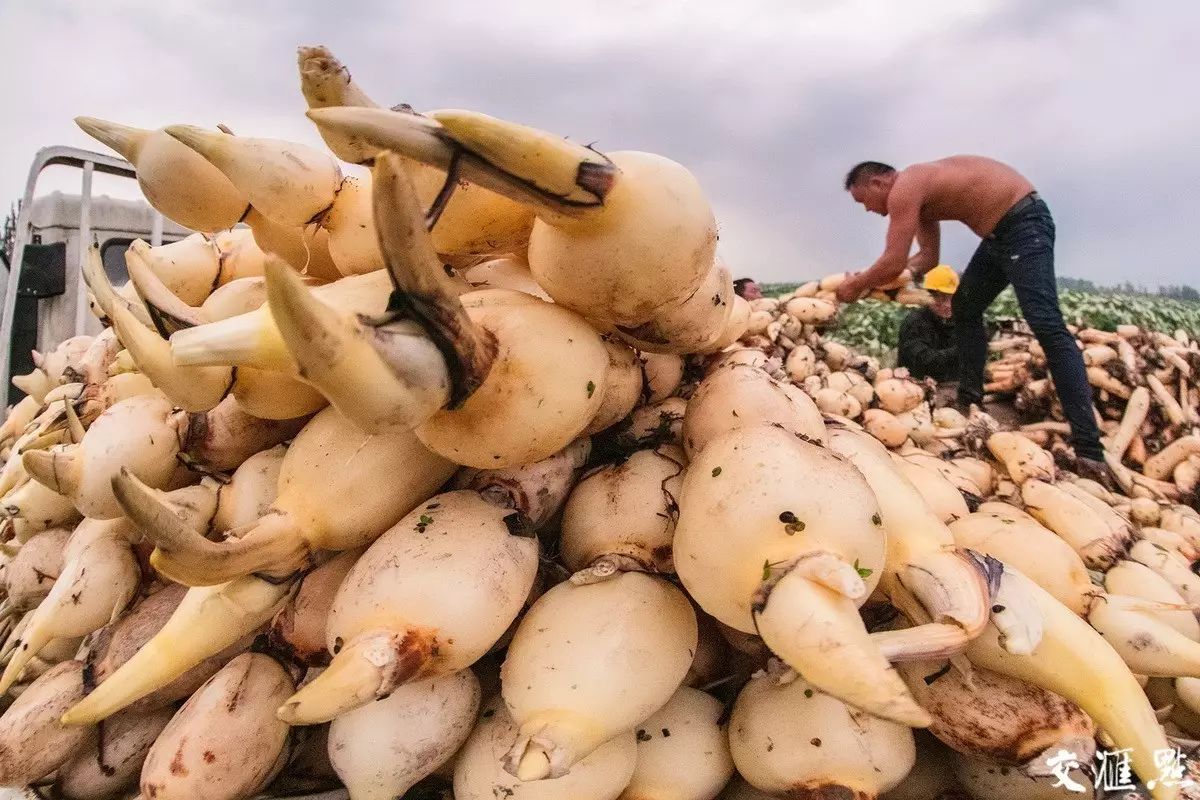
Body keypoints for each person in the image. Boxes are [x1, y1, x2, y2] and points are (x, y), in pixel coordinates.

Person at [836, 157, 1110, 481]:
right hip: (999, 236)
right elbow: (927, 259)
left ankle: (1090, 451)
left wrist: (858, 283)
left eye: (863, 201)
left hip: (1023, 223)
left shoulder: (905, 186)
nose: (868, 210)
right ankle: (970, 401)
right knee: (965, 308)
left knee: (1047, 325)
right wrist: (885, 283)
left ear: (877, 183)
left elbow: (894, 259)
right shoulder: (920, 198)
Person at [898, 264, 958, 383]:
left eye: (953, 298)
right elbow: (925, 362)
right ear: (928, 296)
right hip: (915, 388)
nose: (948, 305)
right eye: (942, 298)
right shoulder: (915, 323)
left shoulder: (958, 321)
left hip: (952, 387)